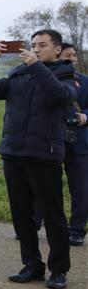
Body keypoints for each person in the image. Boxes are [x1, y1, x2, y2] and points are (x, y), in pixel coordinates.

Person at [0, 30, 76, 289]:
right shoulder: (19, 74)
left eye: (42, 45)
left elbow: (60, 96)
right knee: (21, 215)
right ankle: (32, 265)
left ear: (57, 49)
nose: (36, 49)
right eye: (33, 45)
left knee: (53, 215)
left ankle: (58, 270)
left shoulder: (65, 74)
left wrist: (36, 66)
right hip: (14, 153)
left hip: (44, 155)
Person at [60, 43, 88, 246]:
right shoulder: (45, 80)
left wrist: (85, 116)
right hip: (52, 139)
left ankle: (77, 230)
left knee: (81, 189)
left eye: (73, 55)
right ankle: (34, 223)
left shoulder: (84, 81)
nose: (71, 59)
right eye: (66, 55)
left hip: (80, 140)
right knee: (44, 186)